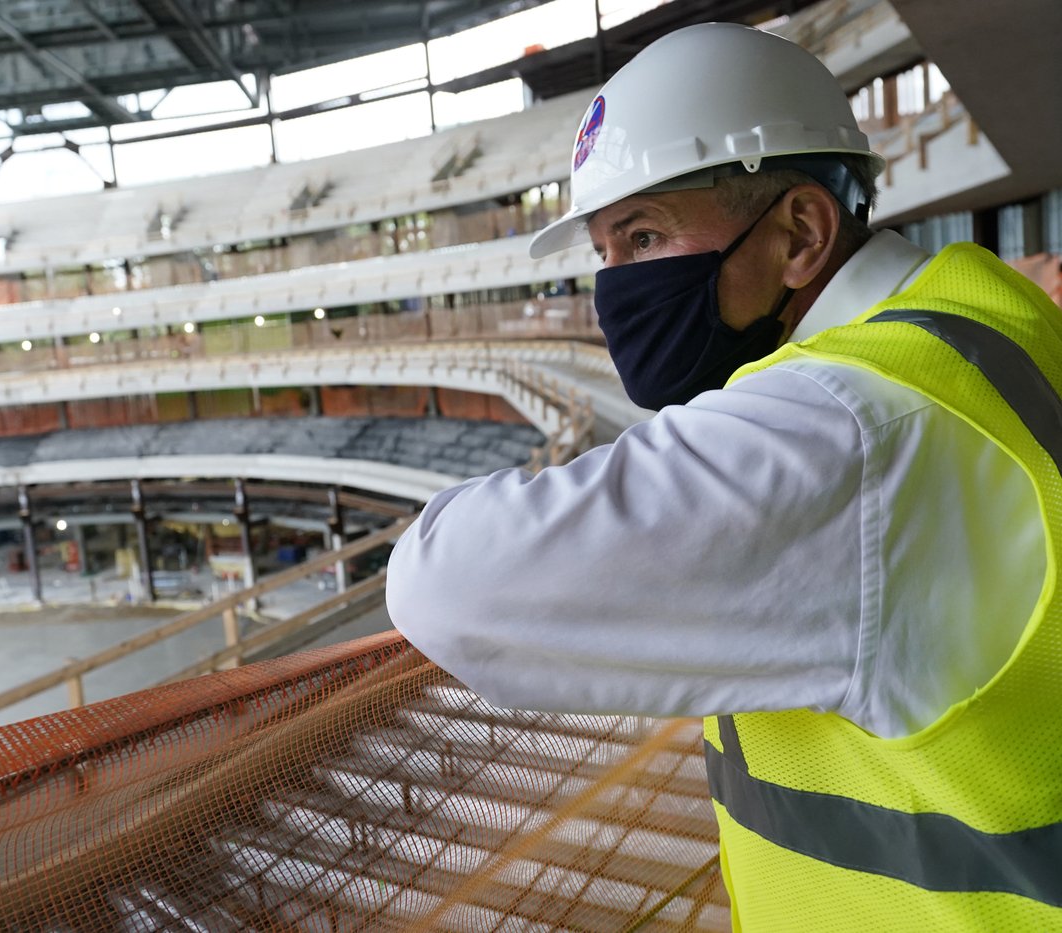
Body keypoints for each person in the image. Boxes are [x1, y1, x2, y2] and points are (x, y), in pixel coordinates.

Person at [385, 22, 1062, 930]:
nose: (615, 288)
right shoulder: (975, 312)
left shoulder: (842, 428)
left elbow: (445, 582)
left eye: (644, 236)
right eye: (604, 253)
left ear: (801, 233)